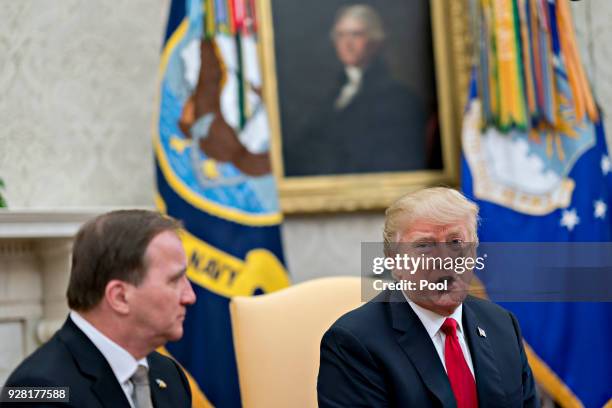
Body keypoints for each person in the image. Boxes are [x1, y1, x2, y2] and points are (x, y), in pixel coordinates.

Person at [317, 187, 538, 407]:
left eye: (455, 242)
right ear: (394, 262)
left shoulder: (501, 324)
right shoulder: (353, 343)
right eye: (424, 246)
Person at [3, 210, 196, 408]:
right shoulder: (35, 388)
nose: (190, 296)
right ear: (120, 297)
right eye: (174, 280)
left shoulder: (169, 376)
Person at [286, 4, 427, 176]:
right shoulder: (331, 93)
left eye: (356, 34)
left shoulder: (398, 99)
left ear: (375, 42)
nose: (347, 43)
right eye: (341, 35)